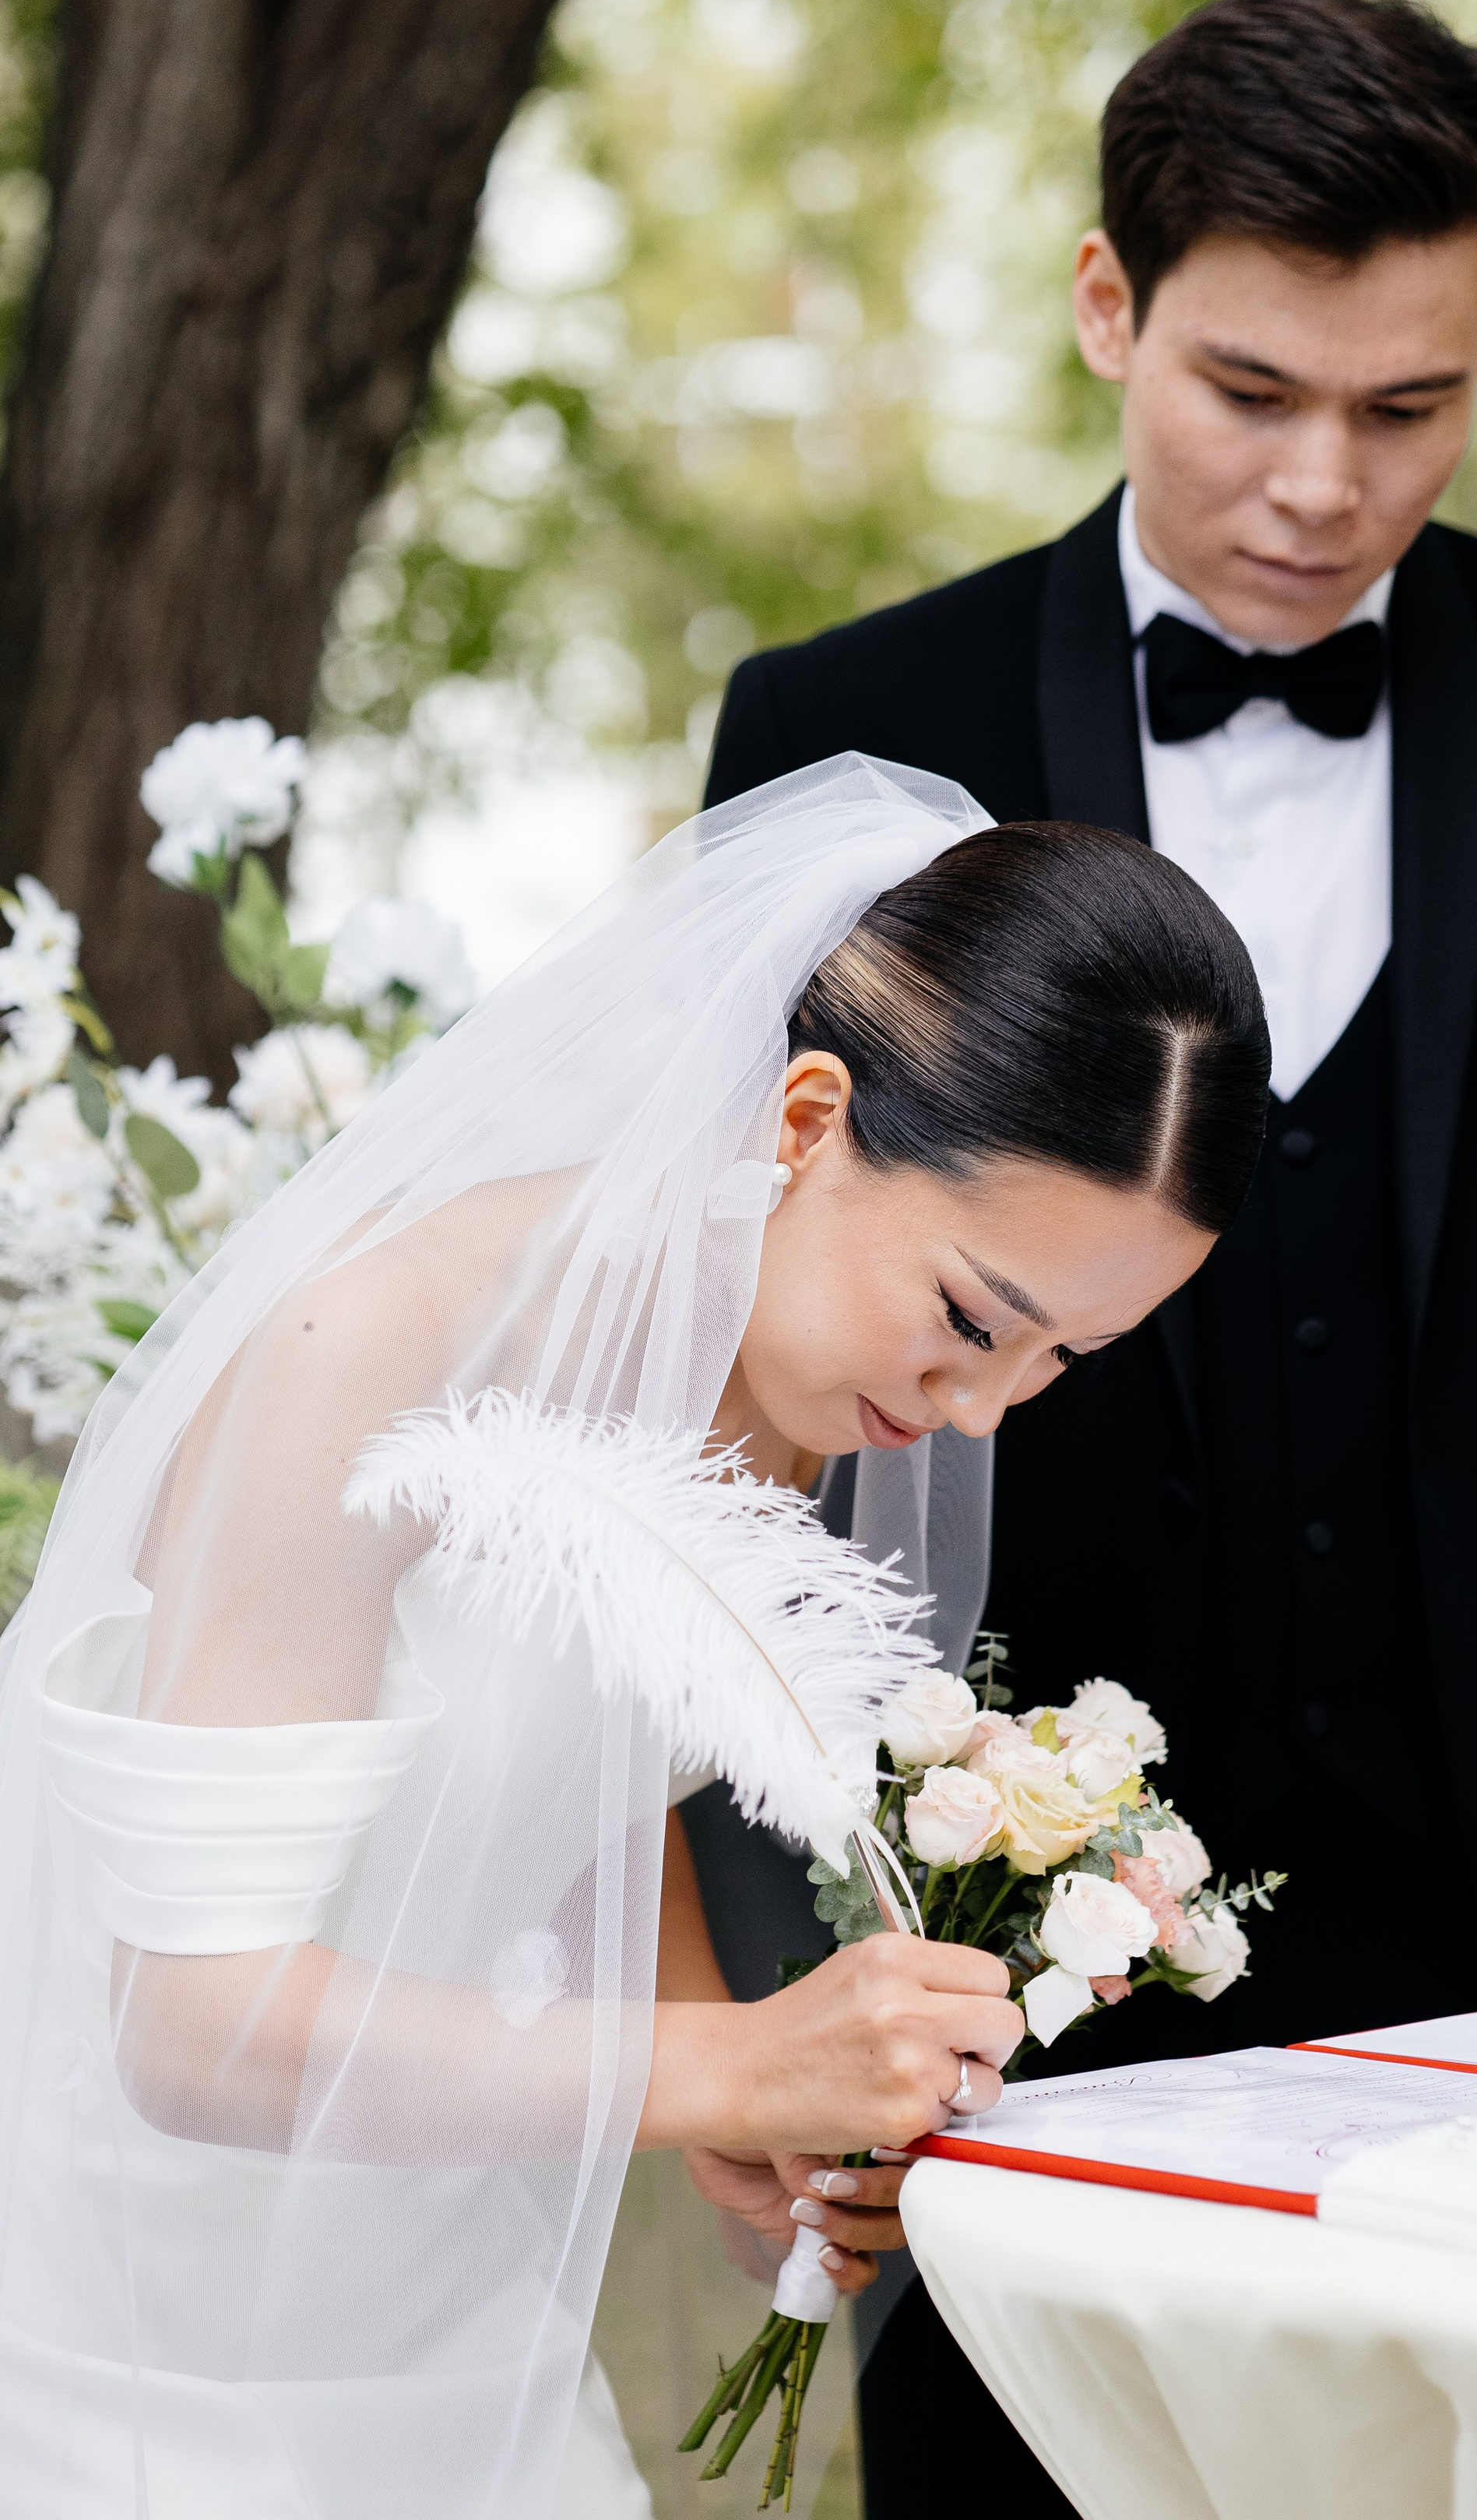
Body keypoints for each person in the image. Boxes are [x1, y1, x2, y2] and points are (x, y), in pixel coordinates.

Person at [703, 0, 1477, 2518]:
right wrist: (782, 1973)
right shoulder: (845, 733)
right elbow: (737, 1419)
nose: (1327, 486)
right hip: (1015, 1915)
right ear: (1109, 306)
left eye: (1410, 406)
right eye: (1253, 393)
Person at [0, 755, 1269, 2516]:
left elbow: (592, 1762)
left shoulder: (772, 1381)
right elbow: (191, 2028)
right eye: (973, 1317)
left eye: (1057, 1362)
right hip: (151, 2315)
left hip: (446, 2276)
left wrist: (718, 2069)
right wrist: (728, 2059)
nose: (980, 1412)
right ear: (808, 1119)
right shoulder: (360, 1353)